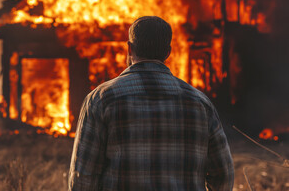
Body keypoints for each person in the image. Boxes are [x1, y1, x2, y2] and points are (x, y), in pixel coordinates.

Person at [68, 16, 234, 191]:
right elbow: (223, 175)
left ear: (129, 49)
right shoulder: (200, 103)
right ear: (168, 52)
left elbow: (82, 178)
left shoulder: (100, 100)